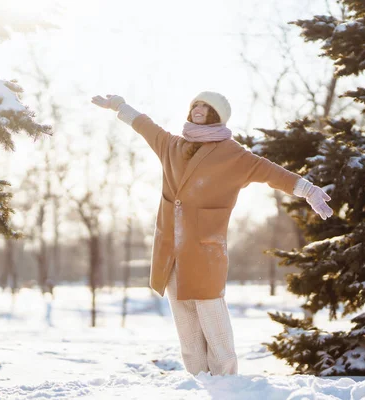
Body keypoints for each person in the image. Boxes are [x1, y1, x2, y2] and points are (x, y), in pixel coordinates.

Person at [91, 92, 333, 376]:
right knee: (185, 320)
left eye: (206, 107)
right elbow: (146, 126)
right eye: (195, 104)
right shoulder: (172, 145)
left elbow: (271, 172)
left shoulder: (233, 154)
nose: (198, 109)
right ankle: (197, 378)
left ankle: (226, 380)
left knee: (211, 313)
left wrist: (308, 191)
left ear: (217, 115)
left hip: (205, 247)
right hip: (170, 246)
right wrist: (120, 106)